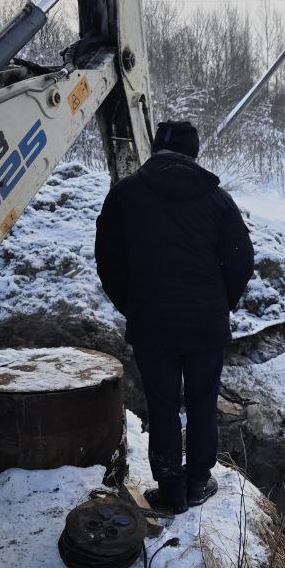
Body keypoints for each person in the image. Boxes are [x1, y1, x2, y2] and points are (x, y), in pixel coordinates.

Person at [95, 120, 254, 514]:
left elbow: (108, 261)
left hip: (152, 324)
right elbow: (241, 260)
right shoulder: (217, 199)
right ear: (193, 153)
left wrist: (132, 305)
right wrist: (222, 303)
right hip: (205, 324)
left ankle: (170, 489)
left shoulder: (125, 194)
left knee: (162, 405)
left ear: (156, 149)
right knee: (202, 403)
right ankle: (198, 482)